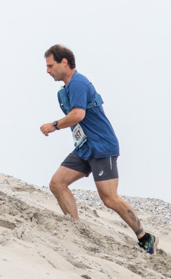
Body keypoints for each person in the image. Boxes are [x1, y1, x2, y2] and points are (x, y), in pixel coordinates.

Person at [40, 45, 156, 254]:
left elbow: (78, 115)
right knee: (57, 184)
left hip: (102, 146)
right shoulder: (65, 90)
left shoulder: (78, 83)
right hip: (84, 147)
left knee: (109, 198)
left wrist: (54, 125)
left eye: (50, 66)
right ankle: (76, 229)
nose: (48, 71)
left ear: (64, 62)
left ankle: (145, 237)